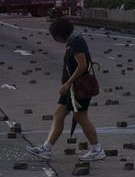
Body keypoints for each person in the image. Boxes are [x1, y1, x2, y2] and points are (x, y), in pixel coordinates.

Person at [26, 17, 105, 162]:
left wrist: (68, 83)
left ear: (59, 35)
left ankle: (97, 149)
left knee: (81, 117)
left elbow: (82, 65)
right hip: (71, 90)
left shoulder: (76, 42)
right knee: (58, 114)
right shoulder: (73, 41)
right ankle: (46, 148)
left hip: (78, 88)